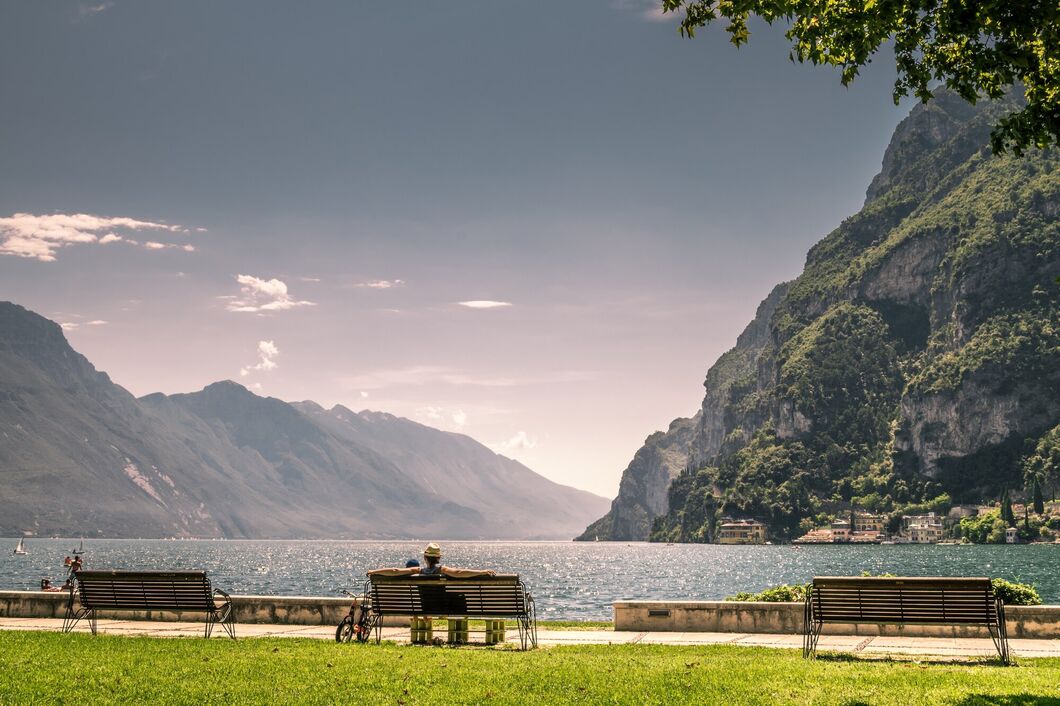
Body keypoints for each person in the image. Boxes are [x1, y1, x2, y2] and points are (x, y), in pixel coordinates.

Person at [367, 543, 496, 578]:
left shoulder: (419, 570)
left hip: (424, 605)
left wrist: (374, 571)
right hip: (442, 605)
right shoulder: (442, 570)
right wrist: (482, 572)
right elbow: (459, 573)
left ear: (424, 557)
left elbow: (395, 571)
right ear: (438, 558)